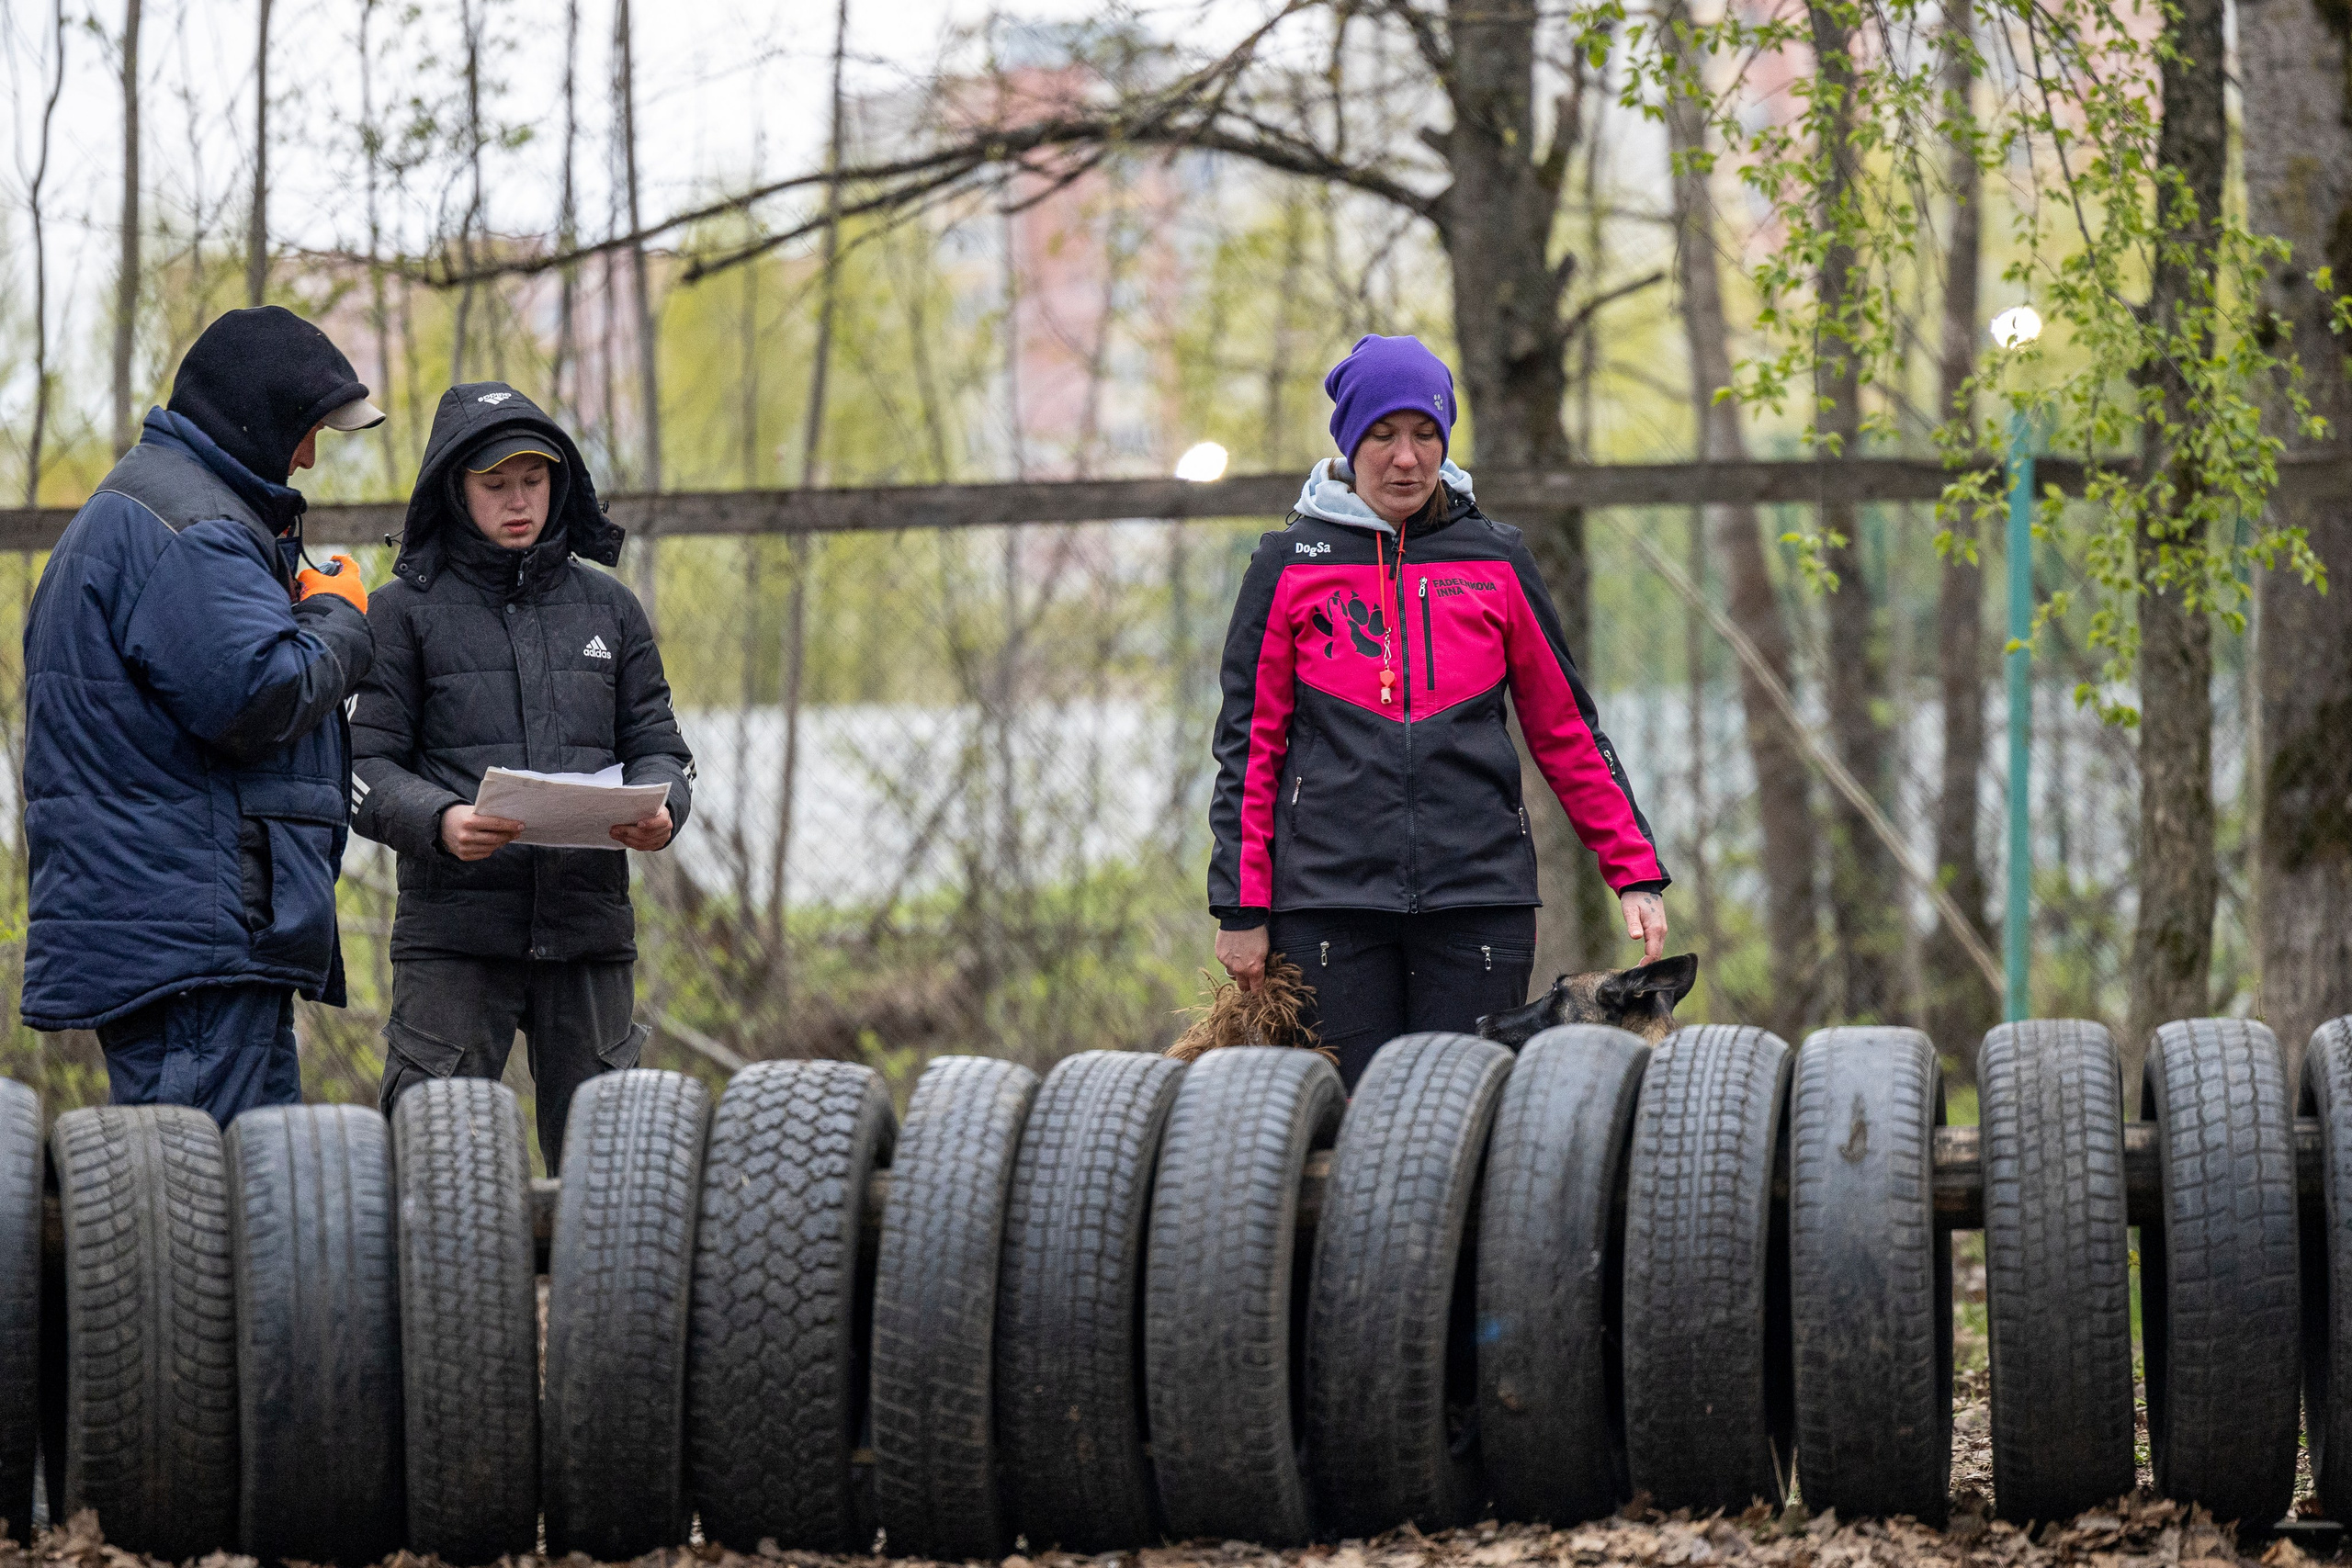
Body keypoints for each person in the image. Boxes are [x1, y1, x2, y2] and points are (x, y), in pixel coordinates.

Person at [1205, 333, 1670, 1089]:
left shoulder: (1497, 560)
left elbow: (1566, 730)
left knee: (1457, 1126)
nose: (1406, 458)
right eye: (1384, 435)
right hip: (1328, 909)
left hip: (1478, 904)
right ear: (1350, 442)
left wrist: (1635, 870)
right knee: (1355, 1131)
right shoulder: (1286, 566)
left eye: (1425, 434)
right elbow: (1247, 751)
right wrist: (1239, 905)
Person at [21, 306, 385, 1121]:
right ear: (258, 415)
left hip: (190, 935)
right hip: (196, 947)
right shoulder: (192, 530)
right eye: (305, 429)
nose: (309, 456)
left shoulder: (157, 509)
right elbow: (260, 695)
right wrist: (338, 616)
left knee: (248, 1200)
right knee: (197, 1205)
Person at [352, 381, 693, 1168]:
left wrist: (665, 805)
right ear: (454, 489)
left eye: (533, 481)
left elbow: (658, 742)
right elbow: (360, 768)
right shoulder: (401, 614)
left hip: (587, 933)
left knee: (611, 1183)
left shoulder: (611, 609)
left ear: (558, 483)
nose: (518, 502)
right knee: (438, 1174)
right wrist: (440, 821)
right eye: (495, 484)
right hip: (454, 939)